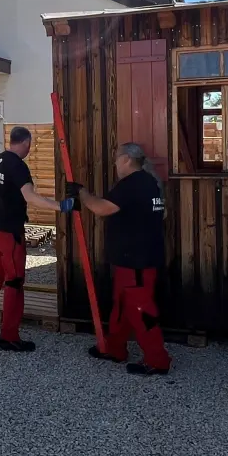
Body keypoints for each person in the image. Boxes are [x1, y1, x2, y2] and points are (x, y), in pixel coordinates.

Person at [72, 142, 171, 375]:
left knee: (141, 310)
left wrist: (82, 192)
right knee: (121, 307)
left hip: (137, 261)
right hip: (133, 260)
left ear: (127, 159)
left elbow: (101, 208)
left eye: (117, 158)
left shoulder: (132, 184)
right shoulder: (151, 183)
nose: (115, 163)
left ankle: (158, 361)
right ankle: (114, 348)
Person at [0, 126, 75, 352]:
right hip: (10, 232)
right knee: (14, 281)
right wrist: (59, 206)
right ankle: (9, 337)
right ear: (27, 143)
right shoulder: (18, 167)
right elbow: (29, 196)